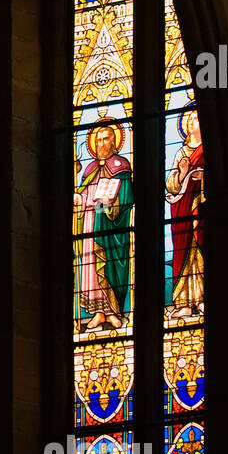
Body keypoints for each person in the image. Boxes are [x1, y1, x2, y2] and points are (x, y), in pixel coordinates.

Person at [74, 122, 133, 332]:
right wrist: (79, 198)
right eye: (98, 140)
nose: (101, 143)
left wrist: (109, 205)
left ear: (115, 141)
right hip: (91, 224)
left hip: (110, 226)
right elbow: (86, 196)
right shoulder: (90, 169)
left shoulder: (121, 166)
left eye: (106, 138)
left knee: (109, 266)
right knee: (91, 268)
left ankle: (113, 312)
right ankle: (98, 313)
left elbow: (126, 199)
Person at [166, 106, 204, 319]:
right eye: (188, 120)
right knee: (184, 254)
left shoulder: (210, 149)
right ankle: (184, 303)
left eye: (195, 119)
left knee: (199, 252)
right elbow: (171, 184)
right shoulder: (182, 152)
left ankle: (201, 298)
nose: (191, 122)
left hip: (201, 207)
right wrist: (181, 174)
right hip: (182, 210)